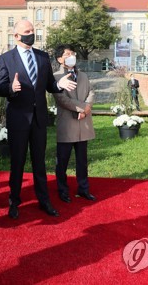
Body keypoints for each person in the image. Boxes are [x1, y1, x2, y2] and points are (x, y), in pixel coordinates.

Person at [0, 20, 77, 219]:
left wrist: (60, 85)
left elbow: (49, 84)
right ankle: (14, 201)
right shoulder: (6, 58)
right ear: (16, 36)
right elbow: (0, 87)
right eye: (27, 31)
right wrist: (10, 89)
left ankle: (44, 200)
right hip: (18, 119)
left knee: (39, 162)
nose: (31, 34)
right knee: (18, 163)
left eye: (33, 30)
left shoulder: (42, 56)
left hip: (39, 119)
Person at [53, 45, 96, 203]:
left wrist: (87, 108)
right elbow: (61, 99)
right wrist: (81, 107)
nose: (72, 56)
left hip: (83, 123)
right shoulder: (56, 77)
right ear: (60, 59)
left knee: (82, 160)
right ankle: (62, 190)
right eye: (67, 54)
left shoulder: (83, 75)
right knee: (62, 161)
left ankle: (83, 188)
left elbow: (91, 92)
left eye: (73, 53)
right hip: (67, 124)